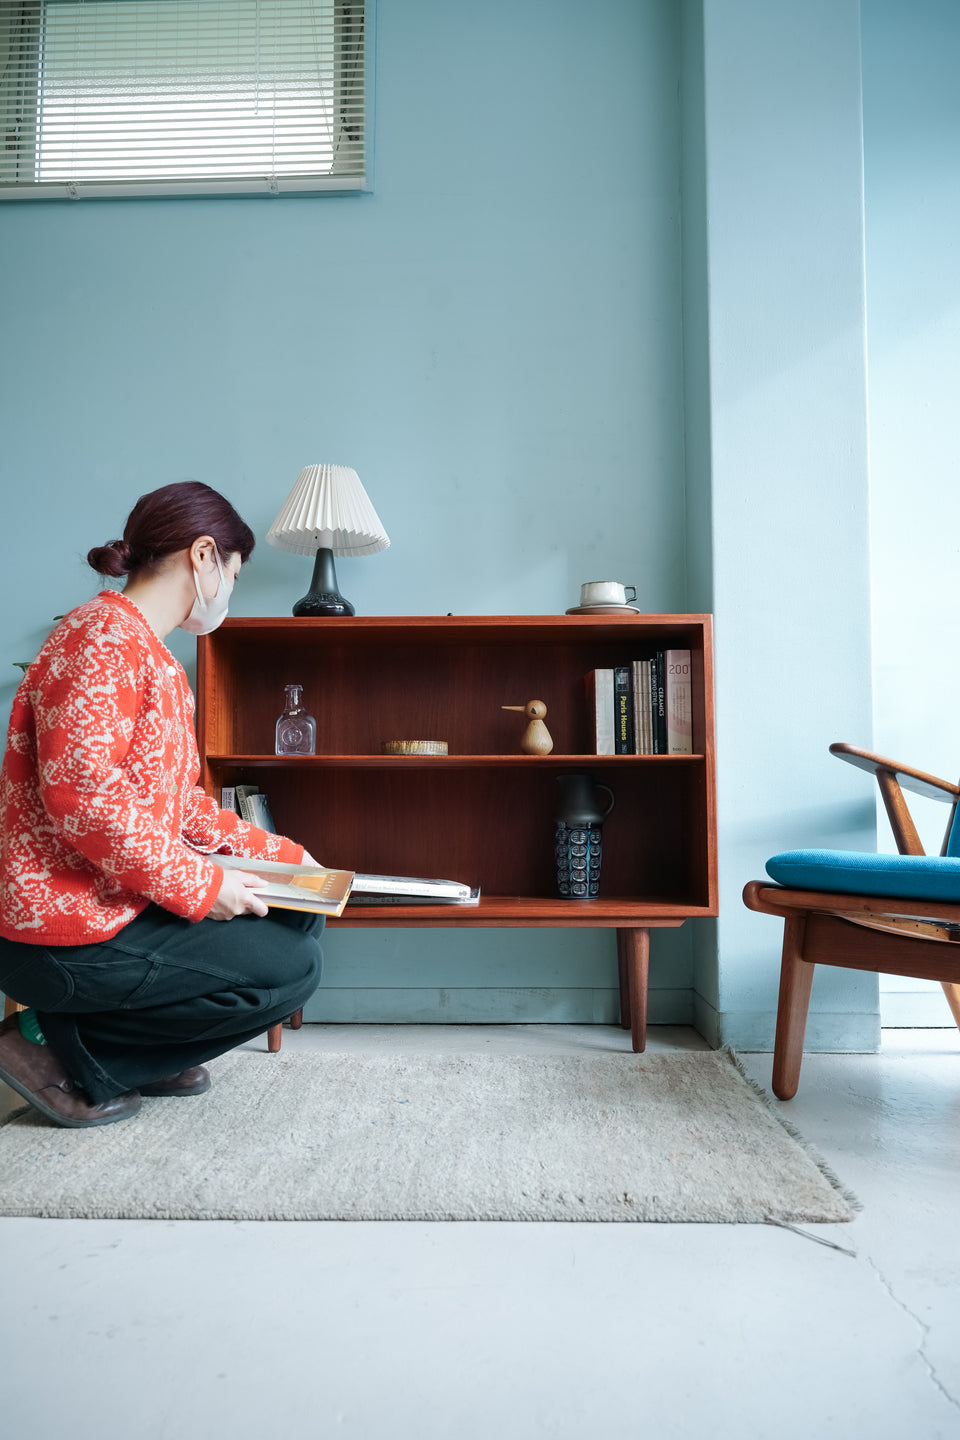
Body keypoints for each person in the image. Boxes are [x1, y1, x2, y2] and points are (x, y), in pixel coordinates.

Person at [0, 482, 323, 1127]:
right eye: (232, 572)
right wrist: (203, 884)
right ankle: (45, 1046)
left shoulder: (158, 661)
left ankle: (139, 1052)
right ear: (204, 556)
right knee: (290, 969)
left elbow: (181, 809)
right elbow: (84, 798)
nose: (228, 589)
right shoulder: (99, 640)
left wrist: (290, 861)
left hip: (121, 902)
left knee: (300, 918)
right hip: (62, 933)